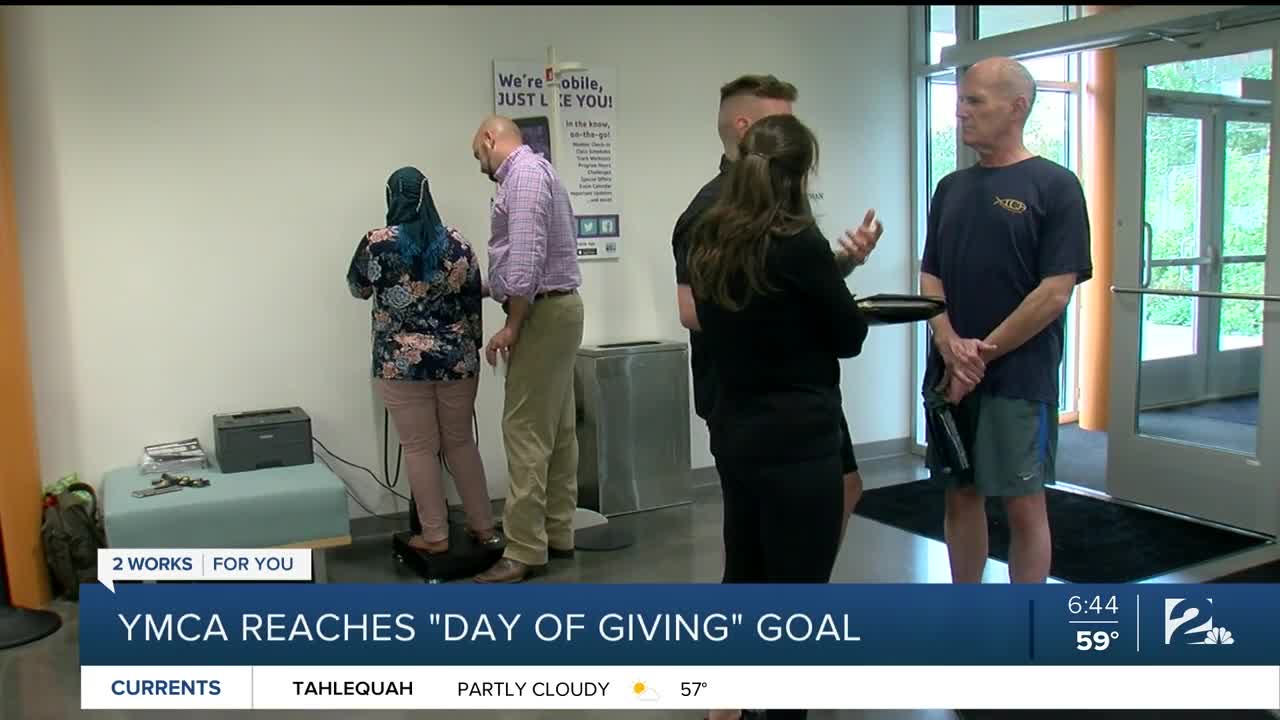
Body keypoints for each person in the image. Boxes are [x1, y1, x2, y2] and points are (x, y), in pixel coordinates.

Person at [671, 74, 882, 546]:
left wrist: (842, 264)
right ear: (747, 129)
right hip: (763, 404)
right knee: (777, 550)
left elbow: (781, 282)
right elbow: (692, 310)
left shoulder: (778, 215)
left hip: (774, 403)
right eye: (783, 126)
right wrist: (789, 326)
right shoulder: (707, 214)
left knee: (833, 497)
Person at [920, 57, 1092, 584]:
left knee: (1023, 504)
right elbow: (930, 276)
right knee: (960, 493)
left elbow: (1054, 293)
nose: (960, 112)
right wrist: (949, 344)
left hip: (1018, 378)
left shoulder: (1055, 186)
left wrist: (980, 355)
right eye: (960, 100)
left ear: (1017, 107)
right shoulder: (950, 187)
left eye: (974, 101)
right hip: (950, 373)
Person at [347, 166, 500, 555]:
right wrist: (472, 345)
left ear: (391, 197)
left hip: (400, 364)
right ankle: (485, 528)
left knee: (419, 448)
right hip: (456, 361)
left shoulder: (377, 243)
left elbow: (357, 288)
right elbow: (472, 296)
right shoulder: (457, 243)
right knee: (461, 442)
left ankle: (435, 536)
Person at [468, 115, 585, 584]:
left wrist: (512, 325)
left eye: (478, 155)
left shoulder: (524, 176)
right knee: (557, 429)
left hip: (540, 314)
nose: (480, 165)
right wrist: (485, 285)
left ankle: (522, 551)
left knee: (525, 431)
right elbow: (527, 258)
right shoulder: (539, 172)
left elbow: (526, 257)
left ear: (489, 138)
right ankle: (557, 533)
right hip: (556, 309)